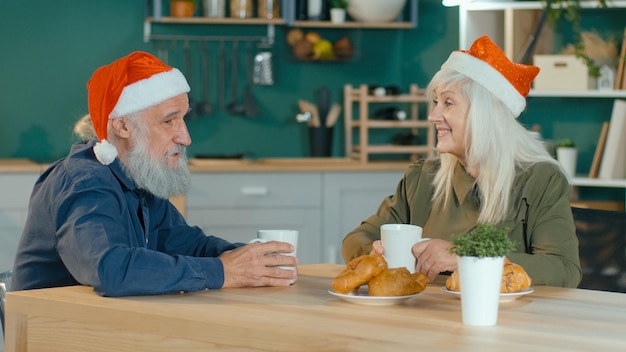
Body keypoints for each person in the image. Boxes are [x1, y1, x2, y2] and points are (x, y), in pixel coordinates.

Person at [11, 51, 297, 297]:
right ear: (122, 126)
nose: (185, 137)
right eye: (169, 120)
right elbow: (111, 268)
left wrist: (253, 260)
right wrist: (224, 271)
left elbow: (191, 246)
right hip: (52, 335)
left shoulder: (140, 178)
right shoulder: (84, 181)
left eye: (182, 119)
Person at [342, 36, 582, 288]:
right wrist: (374, 253)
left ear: (484, 114)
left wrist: (465, 256)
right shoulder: (422, 178)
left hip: (507, 322)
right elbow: (357, 238)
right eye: (436, 102)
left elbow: (564, 269)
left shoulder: (541, 180)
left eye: (448, 103)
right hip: (425, 320)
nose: (433, 116)